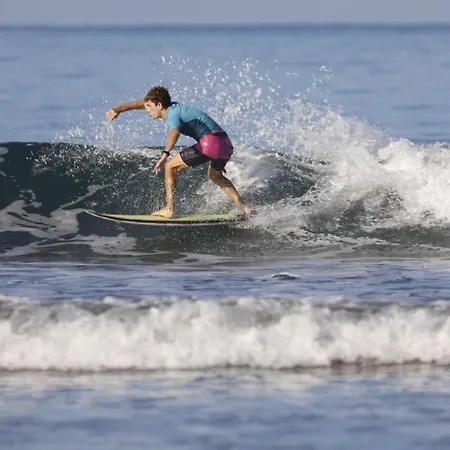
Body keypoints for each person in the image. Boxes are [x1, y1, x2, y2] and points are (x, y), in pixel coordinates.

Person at [106, 86, 251, 218]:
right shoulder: (174, 108)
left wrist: (165, 154)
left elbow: (174, 132)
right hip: (225, 144)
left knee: (170, 166)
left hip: (210, 143)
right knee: (215, 175)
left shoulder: (173, 114)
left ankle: (169, 209)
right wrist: (118, 109)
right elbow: (141, 103)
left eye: (149, 107)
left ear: (159, 105)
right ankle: (244, 208)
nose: (147, 110)